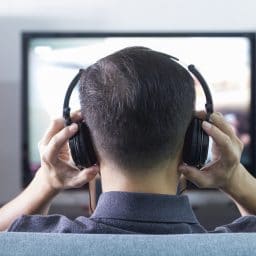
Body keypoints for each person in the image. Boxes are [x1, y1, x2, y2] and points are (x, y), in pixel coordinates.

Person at [1, 47, 256, 233]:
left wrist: (46, 182)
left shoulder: (34, 242)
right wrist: (235, 177)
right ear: (194, 143)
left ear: (83, 146)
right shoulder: (243, 245)